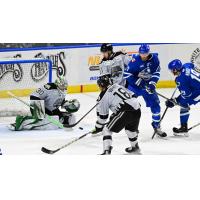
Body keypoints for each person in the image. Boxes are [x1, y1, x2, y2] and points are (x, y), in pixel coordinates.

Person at [124, 44, 166, 137]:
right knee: (130, 105)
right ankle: (132, 128)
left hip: (147, 85)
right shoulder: (135, 60)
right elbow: (126, 74)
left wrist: (152, 83)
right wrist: (138, 82)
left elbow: (156, 72)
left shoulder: (155, 58)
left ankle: (156, 126)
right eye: (141, 53)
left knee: (156, 106)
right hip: (134, 87)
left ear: (148, 53)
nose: (143, 56)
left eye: (145, 54)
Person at [92, 75, 141, 155]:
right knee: (130, 130)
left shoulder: (103, 97)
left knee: (106, 130)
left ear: (101, 85)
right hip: (137, 108)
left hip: (125, 111)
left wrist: (98, 127)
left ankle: (106, 151)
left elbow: (103, 118)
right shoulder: (117, 86)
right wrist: (116, 113)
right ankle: (135, 147)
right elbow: (133, 95)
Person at [10, 76, 80, 131]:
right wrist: (40, 110)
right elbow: (34, 95)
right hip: (38, 105)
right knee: (42, 120)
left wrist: (68, 105)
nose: (63, 88)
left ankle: (54, 120)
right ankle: (21, 121)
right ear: (57, 84)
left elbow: (59, 101)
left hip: (52, 109)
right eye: (62, 86)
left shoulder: (64, 91)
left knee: (68, 118)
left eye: (65, 86)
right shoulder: (48, 88)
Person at [165, 59, 200, 136]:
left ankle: (183, 128)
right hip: (197, 88)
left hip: (198, 92)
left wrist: (174, 101)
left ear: (175, 70)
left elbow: (186, 96)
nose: (171, 72)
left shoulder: (181, 79)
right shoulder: (186, 65)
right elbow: (193, 65)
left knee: (184, 103)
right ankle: (183, 126)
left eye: (171, 70)